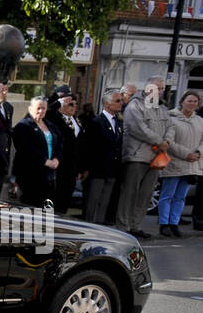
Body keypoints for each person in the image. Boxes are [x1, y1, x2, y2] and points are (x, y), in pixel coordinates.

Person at [116, 76, 170, 237]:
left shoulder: (162, 108)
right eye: (156, 88)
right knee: (130, 192)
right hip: (137, 155)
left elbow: (171, 126)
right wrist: (160, 141)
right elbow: (138, 128)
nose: (160, 92)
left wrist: (167, 141)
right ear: (147, 89)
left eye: (161, 89)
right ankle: (123, 226)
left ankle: (135, 225)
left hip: (156, 157)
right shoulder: (135, 105)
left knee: (146, 194)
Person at [158, 89, 203, 236]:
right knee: (167, 195)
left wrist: (198, 153)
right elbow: (169, 141)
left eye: (195, 101)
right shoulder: (171, 118)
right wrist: (186, 154)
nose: (192, 104)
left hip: (192, 164)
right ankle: (164, 224)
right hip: (174, 162)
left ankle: (174, 223)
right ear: (182, 101)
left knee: (180, 197)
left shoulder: (200, 121)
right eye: (189, 100)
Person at [81, 89, 125, 225]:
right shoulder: (97, 122)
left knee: (105, 200)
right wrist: (87, 168)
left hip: (112, 169)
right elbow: (89, 148)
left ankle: (99, 225)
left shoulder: (117, 121)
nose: (121, 104)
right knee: (93, 200)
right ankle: (90, 225)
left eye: (121, 101)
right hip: (98, 169)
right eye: (117, 101)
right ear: (107, 104)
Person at [12, 96, 61, 207]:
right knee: (30, 208)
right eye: (38, 108)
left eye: (43, 108)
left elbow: (60, 143)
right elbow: (26, 148)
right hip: (29, 175)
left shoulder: (51, 126)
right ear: (30, 109)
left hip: (49, 176)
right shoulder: (23, 126)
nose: (41, 111)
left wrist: (57, 158)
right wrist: (45, 161)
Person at [44, 86, 84, 214]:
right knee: (55, 198)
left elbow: (79, 146)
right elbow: (47, 110)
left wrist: (79, 168)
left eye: (75, 104)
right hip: (58, 164)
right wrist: (58, 99)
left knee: (66, 198)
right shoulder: (55, 117)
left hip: (71, 167)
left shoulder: (77, 121)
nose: (73, 107)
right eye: (70, 104)